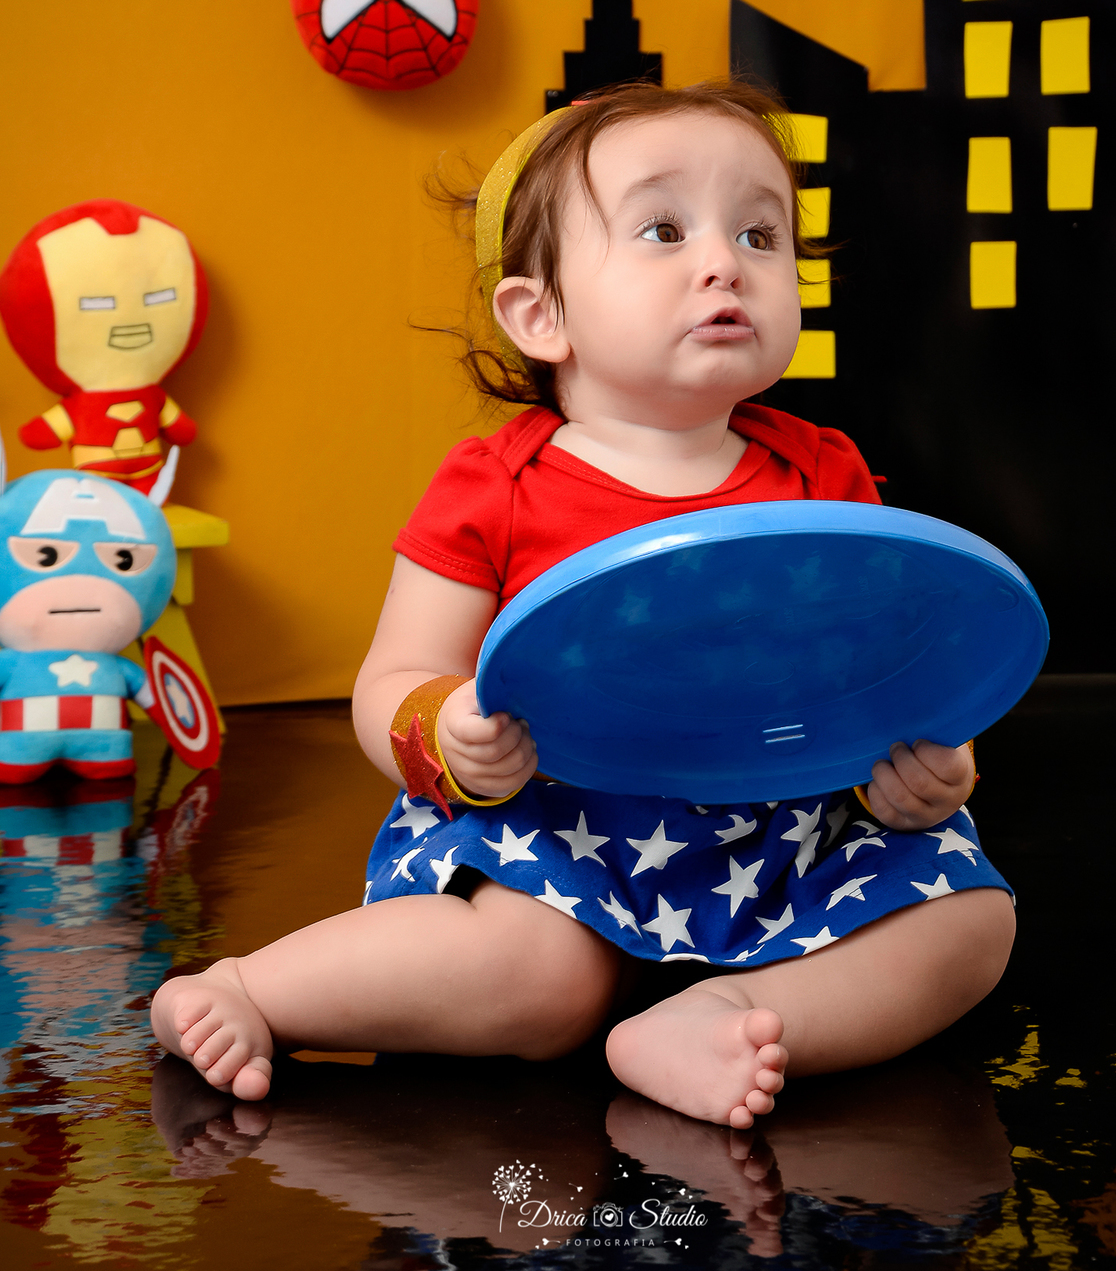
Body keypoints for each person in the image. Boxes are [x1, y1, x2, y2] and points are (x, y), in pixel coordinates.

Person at [151, 81, 1015, 1127]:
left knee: (971, 920)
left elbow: (879, 676)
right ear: (540, 312)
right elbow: (390, 677)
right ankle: (257, 989)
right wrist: (445, 731)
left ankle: (735, 1012)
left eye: (760, 231)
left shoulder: (822, 474)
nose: (723, 261)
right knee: (540, 979)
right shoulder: (495, 485)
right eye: (663, 228)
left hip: (787, 825)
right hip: (560, 828)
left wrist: (918, 773)